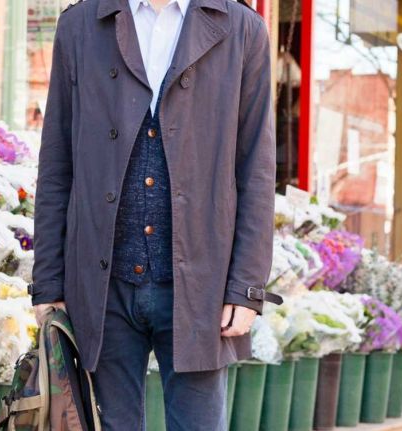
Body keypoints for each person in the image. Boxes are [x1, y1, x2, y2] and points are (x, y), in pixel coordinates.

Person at [30, 0, 276, 429]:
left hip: (201, 285)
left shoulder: (242, 30)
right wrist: (48, 280)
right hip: (102, 282)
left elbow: (256, 168)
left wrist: (246, 287)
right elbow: (57, 163)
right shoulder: (80, 25)